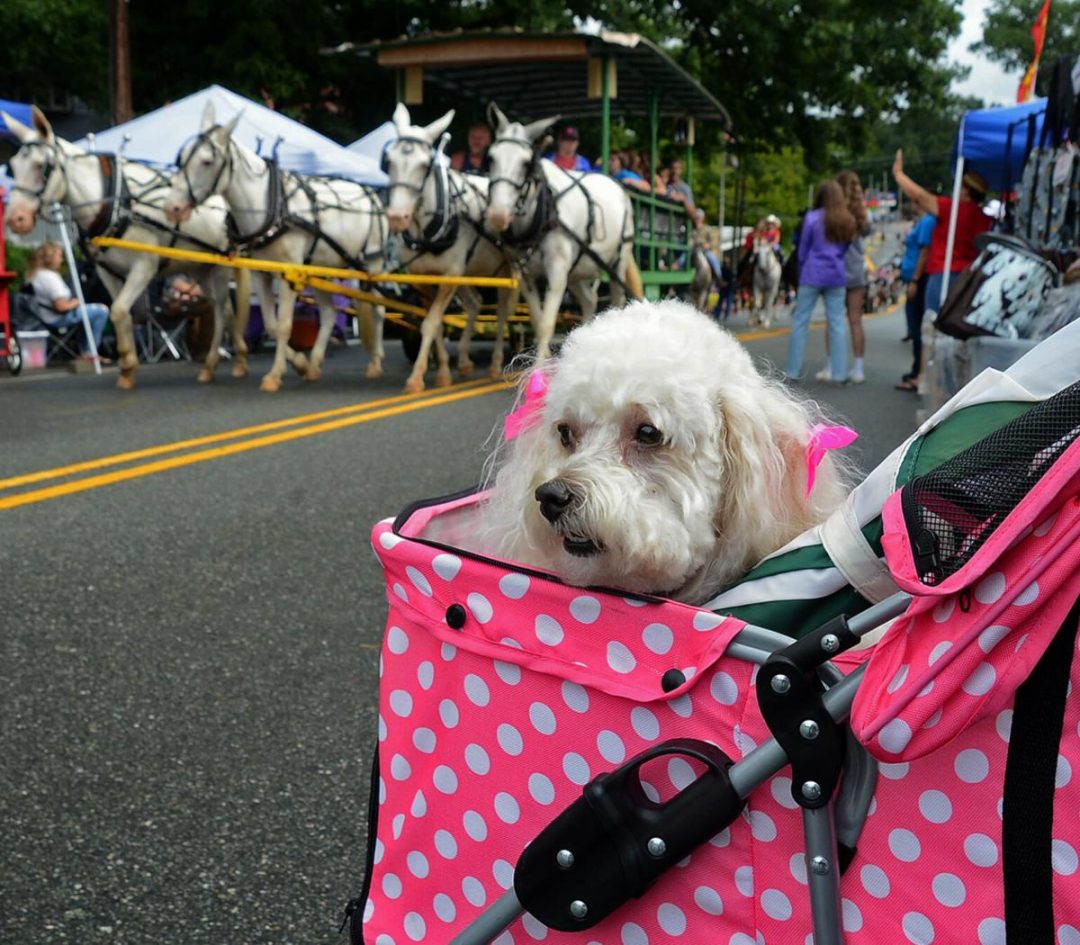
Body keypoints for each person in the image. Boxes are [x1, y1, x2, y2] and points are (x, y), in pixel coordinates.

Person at [892, 149, 991, 324]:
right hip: (968, 278)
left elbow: (919, 196)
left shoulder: (952, 210)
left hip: (942, 275)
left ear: (967, 192)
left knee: (932, 328)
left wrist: (899, 174)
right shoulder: (986, 219)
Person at [784, 180, 856, 384]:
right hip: (836, 275)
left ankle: (793, 371)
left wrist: (805, 266)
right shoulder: (847, 220)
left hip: (812, 273)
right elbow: (845, 248)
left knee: (800, 322)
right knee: (836, 324)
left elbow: (802, 250)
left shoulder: (812, 218)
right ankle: (840, 373)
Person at [819, 170, 871, 384]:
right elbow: (868, 232)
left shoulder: (832, 213)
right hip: (857, 270)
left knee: (833, 321)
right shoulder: (863, 215)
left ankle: (831, 366)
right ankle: (858, 368)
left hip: (836, 270)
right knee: (855, 320)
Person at [26, 242, 111, 361]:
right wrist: (75, 303)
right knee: (101, 311)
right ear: (50, 259)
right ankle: (90, 353)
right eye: (59, 256)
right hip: (58, 318)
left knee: (87, 315)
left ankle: (85, 350)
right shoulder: (50, 278)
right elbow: (61, 307)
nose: (61, 260)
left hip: (45, 316)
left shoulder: (37, 275)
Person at [895, 210, 937, 391]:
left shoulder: (927, 220)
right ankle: (917, 371)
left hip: (918, 278)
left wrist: (915, 279)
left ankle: (918, 373)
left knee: (917, 328)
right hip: (917, 276)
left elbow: (924, 250)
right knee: (917, 328)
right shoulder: (925, 220)